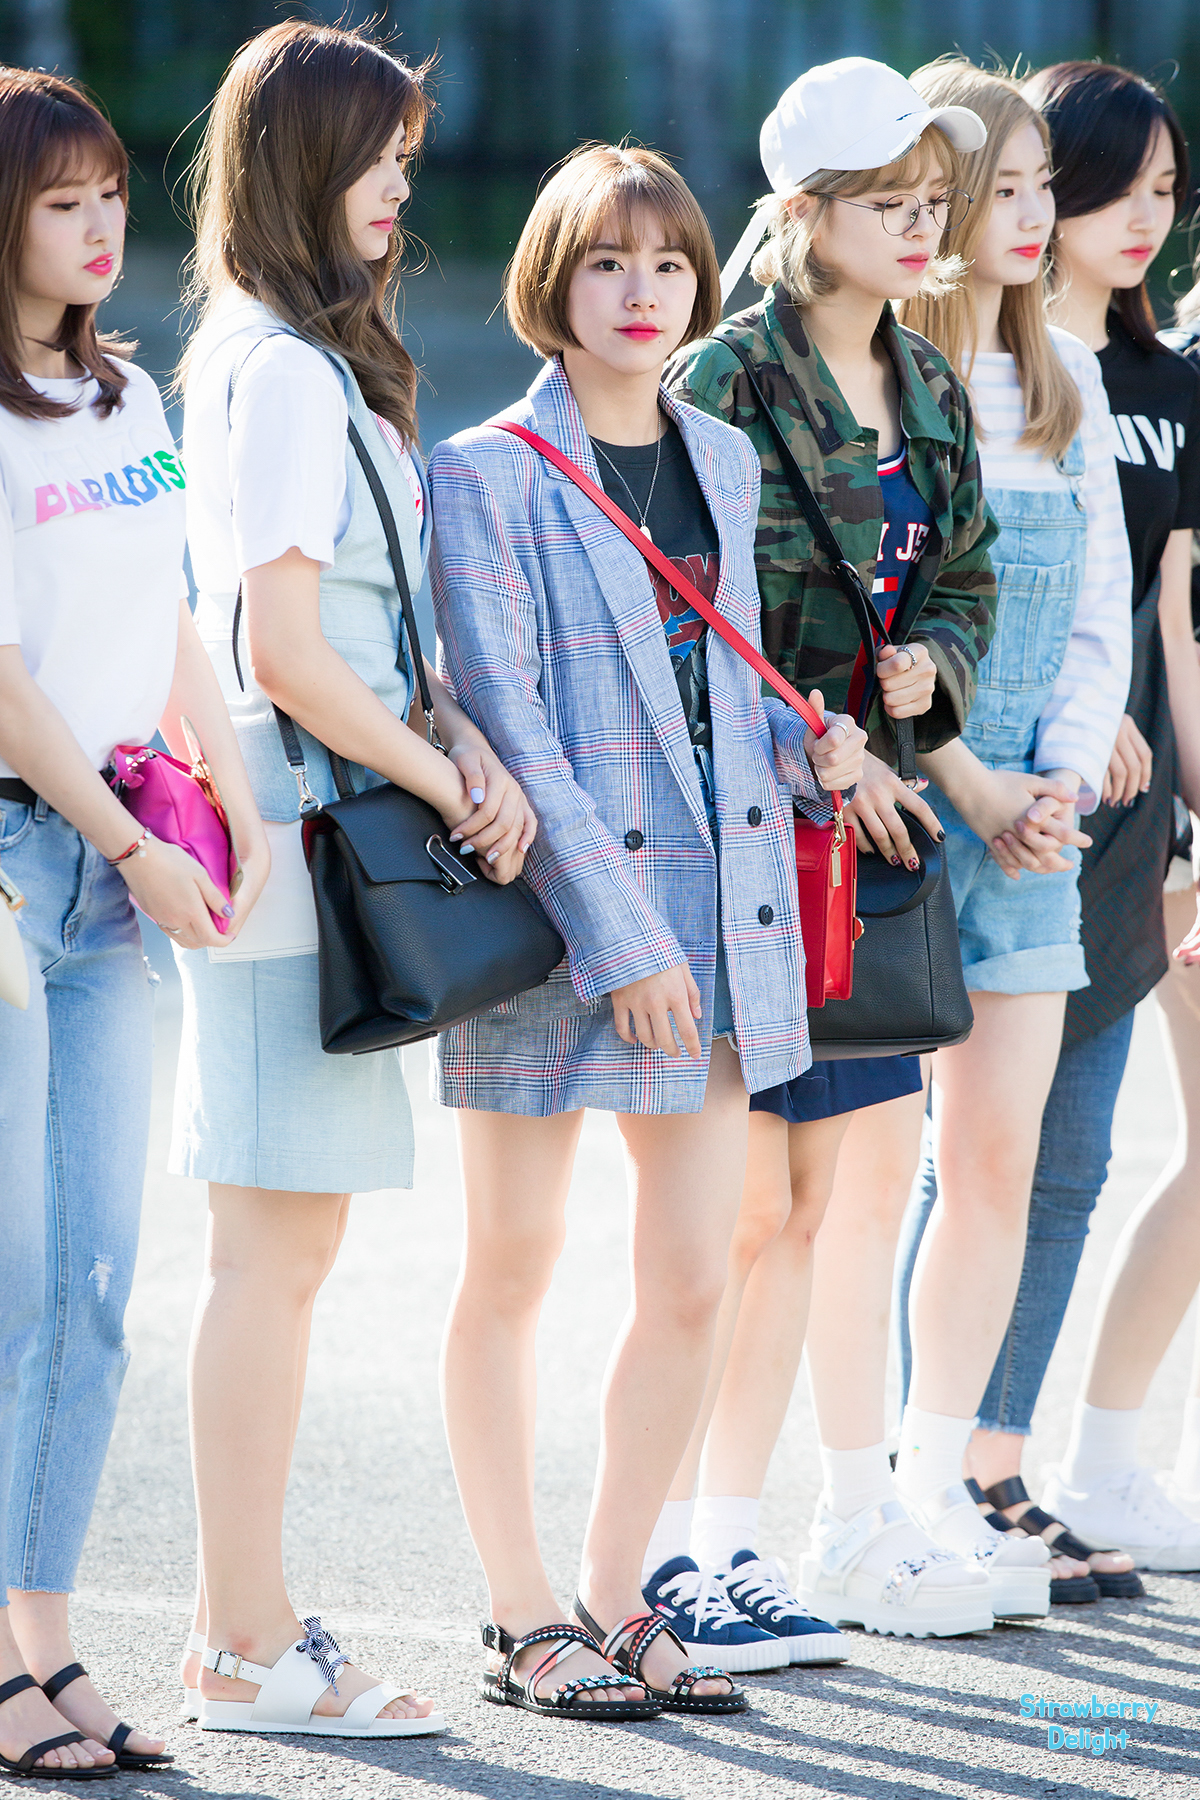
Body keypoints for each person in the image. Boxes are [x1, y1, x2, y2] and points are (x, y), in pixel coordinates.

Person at [429, 141, 865, 1720]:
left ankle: (617, 1594)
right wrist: (620, 941)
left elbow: (714, 691)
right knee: (514, 1263)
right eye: (608, 262)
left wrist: (810, 748)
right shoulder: (485, 470)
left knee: (695, 1274)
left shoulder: (721, 457)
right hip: (555, 917)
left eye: (670, 262)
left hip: (720, 909)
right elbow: (509, 721)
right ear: (553, 281)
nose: (643, 292)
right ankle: (519, 1612)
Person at [175, 21, 535, 1740]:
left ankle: (239, 1632)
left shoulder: (291, 360)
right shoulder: (281, 372)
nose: (402, 184)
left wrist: (446, 725)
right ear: (306, 165)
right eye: (379, 157)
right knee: (270, 1254)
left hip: (301, 828)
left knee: (285, 1249)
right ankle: (245, 1645)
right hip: (282, 835)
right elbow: (286, 653)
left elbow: (357, 632)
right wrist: (452, 775)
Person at [658, 55, 1025, 1650]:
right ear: (807, 213)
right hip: (756, 838)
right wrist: (830, 743)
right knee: (751, 1215)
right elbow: (688, 613)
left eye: (932, 199)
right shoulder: (727, 376)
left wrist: (935, 670)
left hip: (874, 850)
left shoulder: (929, 380)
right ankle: (693, 1541)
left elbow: (968, 574)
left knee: (851, 1195)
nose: (923, 225)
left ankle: (825, 1522)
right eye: (890, 202)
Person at [0, 67, 268, 1778]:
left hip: (116, 866)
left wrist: (235, 793)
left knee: (96, 1287)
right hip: (21, 860)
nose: (104, 226)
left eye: (112, 194)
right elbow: (3, 677)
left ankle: (46, 1645)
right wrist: (125, 842)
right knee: (14, 1280)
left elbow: (169, 611)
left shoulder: (129, 394)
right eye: (62, 201)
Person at [904, 60, 1200, 1573]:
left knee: (1035, 1158)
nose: (1142, 216)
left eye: (1169, 192)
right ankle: (890, 1487)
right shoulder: (895, 374)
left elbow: (1131, 618)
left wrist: (1082, 769)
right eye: (1008, 188)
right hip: (916, 803)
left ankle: (975, 1472)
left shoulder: (1102, 381)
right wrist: (990, 774)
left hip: (1067, 812)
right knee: (891, 1172)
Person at [1032, 223, 1200, 1550]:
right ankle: (1079, 1460)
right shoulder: (1150, 382)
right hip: (1141, 806)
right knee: (1034, 1156)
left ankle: (1104, 1462)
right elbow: (1168, 616)